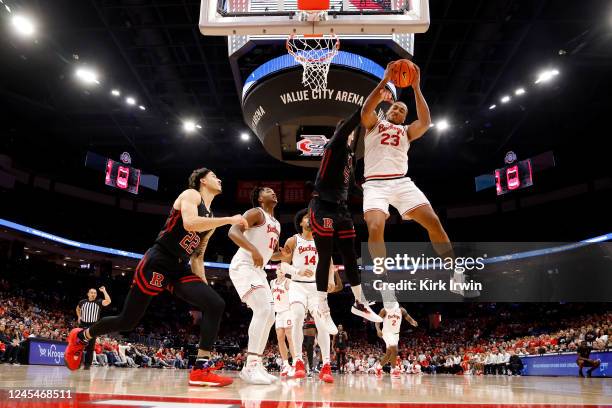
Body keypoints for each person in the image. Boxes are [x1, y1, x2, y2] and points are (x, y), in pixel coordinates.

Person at [64, 168, 247, 387]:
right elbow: (189, 223)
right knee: (127, 321)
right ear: (202, 180)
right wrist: (228, 219)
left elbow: (197, 257)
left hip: (179, 268)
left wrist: (204, 292)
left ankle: (200, 369)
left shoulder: (210, 219)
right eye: (214, 175)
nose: (219, 178)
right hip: (158, 261)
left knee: (216, 303)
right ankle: (82, 336)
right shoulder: (191, 195)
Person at [361, 62, 467, 292]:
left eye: (402, 110)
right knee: (375, 226)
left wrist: (416, 88)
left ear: (404, 117)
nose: (397, 111)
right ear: (387, 110)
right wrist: (385, 80)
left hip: (401, 182)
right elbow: (365, 111)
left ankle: (454, 271)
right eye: (395, 108)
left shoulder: (406, 131)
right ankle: (384, 279)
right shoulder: (373, 125)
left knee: (434, 223)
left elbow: (426, 122)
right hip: (375, 185)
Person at [309, 108, 383, 335]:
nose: (349, 132)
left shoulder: (350, 156)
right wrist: (367, 106)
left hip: (341, 210)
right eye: (347, 129)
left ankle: (359, 302)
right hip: (322, 207)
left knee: (350, 255)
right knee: (326, 255)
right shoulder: (334, 145)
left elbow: (351, 187)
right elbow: (349, 124)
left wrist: (375, 196)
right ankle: (322, 306)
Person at [278, 208, 343, 382]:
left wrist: (330, 279)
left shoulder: (322, 241)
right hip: (297, 286)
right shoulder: (293, 240)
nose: (310, 221)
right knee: (298, 316)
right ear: (300, 222)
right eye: (307, 218)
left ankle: (326, 366)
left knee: (321, 324)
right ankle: (298, 361)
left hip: (317, 287)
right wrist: (298, 270)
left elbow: (329, 263)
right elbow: (283, 266)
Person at [228, 186, 283, 385]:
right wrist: (253, 250)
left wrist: (282, 255)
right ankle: (250, 366)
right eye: (268, 191)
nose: (273, 192)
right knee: (262, 310)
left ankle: (257, 363)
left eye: (273, 190)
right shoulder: (255, 213)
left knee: (269, 315)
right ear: (260, 199)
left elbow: (272, 253)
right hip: (244, 265)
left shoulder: (276, 223)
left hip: (258, 271)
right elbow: (233, 231)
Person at [375, 301, 417, 377]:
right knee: (395, 350)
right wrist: (378, 330)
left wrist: (412, 322)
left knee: (389, 354)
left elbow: (408, 317)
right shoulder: (384, 310)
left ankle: (378, 368)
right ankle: (393, 370)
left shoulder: (401, 310)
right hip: (387, 333)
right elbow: (377, 321)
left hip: (396, 334)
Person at [76, 287, 111, 370]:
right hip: (83, 325)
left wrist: (104, 291)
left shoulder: (98, 302)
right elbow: (77, 309)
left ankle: (87, 365)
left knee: (90, 347)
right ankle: (78, 363)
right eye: (91, 292)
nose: (93, 294)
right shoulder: (82, 302)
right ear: (88, 294)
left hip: (93, 326)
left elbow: (108, 301)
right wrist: (79, 316)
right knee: (80, 345)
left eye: (95, 293)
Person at [269, 266, 295, 377]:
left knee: (290, 337)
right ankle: (285, 364)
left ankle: (295, 363)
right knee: (280, 338)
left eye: (283, 270)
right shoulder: (272, 282)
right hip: (278, 313)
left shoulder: (288, 282)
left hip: (288, 311)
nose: (281, 271)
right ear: (276, 271)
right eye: (280, 269)